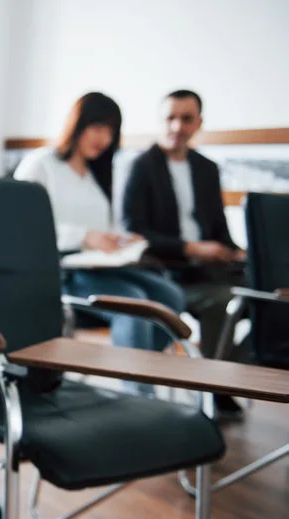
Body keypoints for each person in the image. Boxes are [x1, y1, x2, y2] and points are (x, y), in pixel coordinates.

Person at [14, 92, 186, 396]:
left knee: (170, 295)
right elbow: (20, 228)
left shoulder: (98, 176)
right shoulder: (42, 164)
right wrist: (83, 236)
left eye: (110, 131)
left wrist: (118, 239)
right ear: (78, 124)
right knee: (132, 304)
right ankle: (139, 396)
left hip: (97, 267)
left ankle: (136, 364)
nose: (104, 138)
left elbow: (101, 229)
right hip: (59, 272)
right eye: (98, 127)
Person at [121, 89, 247, 419]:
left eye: (186, 118)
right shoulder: (142, 166)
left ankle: (230, 374)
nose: (177, 126)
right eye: (170, 118)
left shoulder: (206, 169)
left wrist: (236, 252)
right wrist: (189, 248)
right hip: (167, 271)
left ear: (198, 123)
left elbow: (218, 227)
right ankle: (216, 385)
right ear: (161, 121)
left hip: (211, 267)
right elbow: (136, 232)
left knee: (262, 290)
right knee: (224, 300)